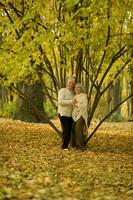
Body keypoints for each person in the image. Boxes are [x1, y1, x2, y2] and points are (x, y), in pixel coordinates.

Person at [58, 77, 75, 150]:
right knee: (66, 130)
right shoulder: (62, 91)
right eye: (70, 83)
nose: (71, 84)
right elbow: (60, 101)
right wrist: (71, 101)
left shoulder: (73, 93)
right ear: (67, 83)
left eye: (72, 83)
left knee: (69, 131)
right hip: (63, 113)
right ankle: (64, 146)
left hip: (70, 115)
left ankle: (66, 145)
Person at [71, 83, 88, 151]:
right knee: (74, 129)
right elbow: (73, 106)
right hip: (75, 114)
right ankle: (75, 145)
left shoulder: (83, 96)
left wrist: (76, 104)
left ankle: (81, 146)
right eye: (75, 88)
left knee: (78, 129)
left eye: (78, 87)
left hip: (82, 114)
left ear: (81, 89)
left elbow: (84, 106)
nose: (77, 89)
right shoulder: (74, 97)